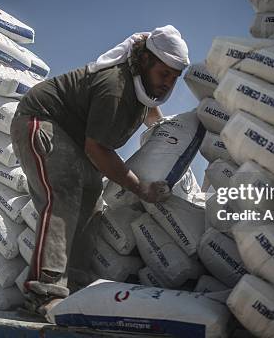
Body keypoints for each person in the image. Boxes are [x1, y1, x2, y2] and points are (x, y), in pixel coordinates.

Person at [10, 25, 190, 317]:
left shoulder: (141, 87)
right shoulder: (115, 87)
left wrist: (167, 132)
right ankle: (43, 292)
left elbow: (150, 112)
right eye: (164, 74)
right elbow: (98, 150)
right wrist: (139, 187)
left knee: (92, 201)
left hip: (75, 138)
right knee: (64, 194)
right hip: (42, 121)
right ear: (145, 61)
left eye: (174, 77)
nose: (168, 83)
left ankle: (76, 288)